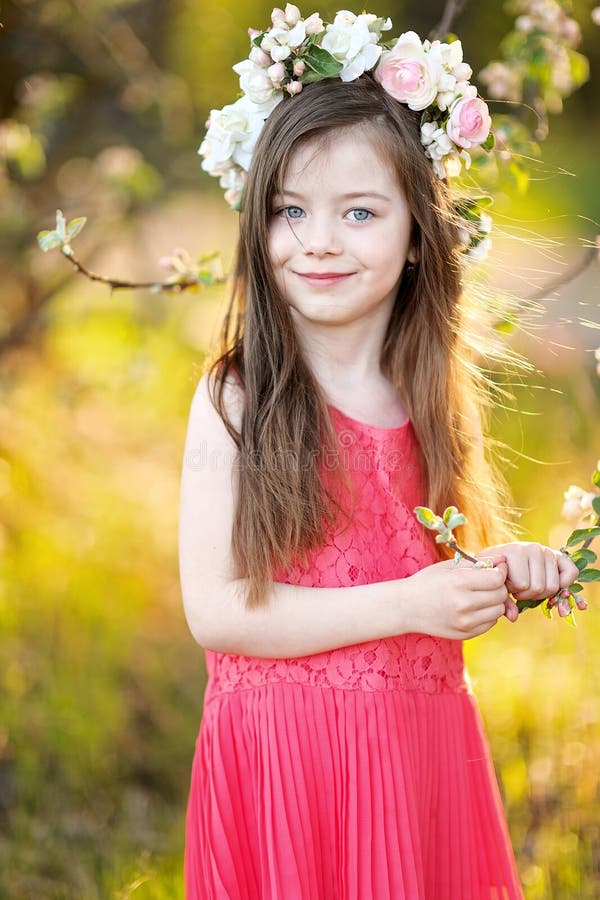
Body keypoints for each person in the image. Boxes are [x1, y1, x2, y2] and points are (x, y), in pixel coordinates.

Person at [178, 9, 579, 899]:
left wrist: (497, 571)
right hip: (289, 760)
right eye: (292, 210)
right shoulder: (240, 396)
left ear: (416, 234)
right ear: (259, 223)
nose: (319, 240)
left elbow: (433, 570)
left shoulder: (428, 395)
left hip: (415, 752)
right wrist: (410, 602)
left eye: (359, 212)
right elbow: (217, 613)